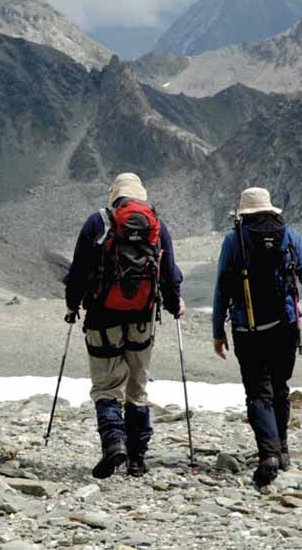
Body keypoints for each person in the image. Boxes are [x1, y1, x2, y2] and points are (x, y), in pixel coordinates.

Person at [64, 172, 184, 479]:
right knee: (137, 387)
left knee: (106, 387)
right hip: (143, 318)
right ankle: (137, 459)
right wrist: (174, 304)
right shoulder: (156, 224)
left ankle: (113, 443)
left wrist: (72, 304)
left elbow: (78, 270)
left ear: (114, 196)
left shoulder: (97, 222)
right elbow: (169, 273)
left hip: (102, 317)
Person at [212, 187, 302, 487]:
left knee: (258, 392)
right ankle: (283, 450)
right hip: (286, 326)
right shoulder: (290, 236)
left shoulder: (233, 239)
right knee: (280, 387)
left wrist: (217, 331)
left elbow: (222, 287)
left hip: (246, 328)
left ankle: (268, 456)